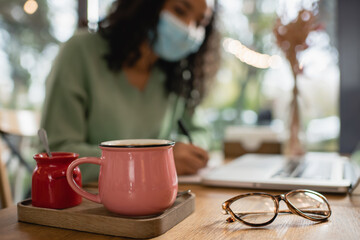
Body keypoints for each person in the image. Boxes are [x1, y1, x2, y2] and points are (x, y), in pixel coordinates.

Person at [41, 0, 220, 183]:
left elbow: (201, 132)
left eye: (200, 23)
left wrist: (188, 151)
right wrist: (156, 160)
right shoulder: (80, 51)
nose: (189, 29)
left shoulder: (174, 77)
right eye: (180, 10)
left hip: (148, 200)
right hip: (81, 202)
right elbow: (56, 155)